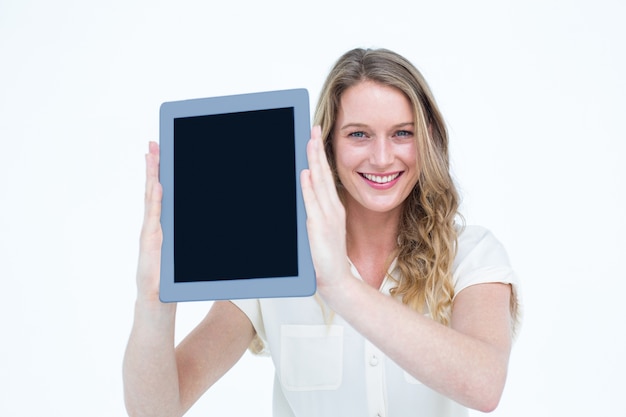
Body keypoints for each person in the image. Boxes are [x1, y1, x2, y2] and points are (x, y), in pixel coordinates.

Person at [123, 47, 521, 417]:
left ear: (428, 141)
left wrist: (341, 287)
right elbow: (156, 410)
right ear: (326, 145)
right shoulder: (270, 258)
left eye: (402, 133)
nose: (382, 158)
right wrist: (153, 300)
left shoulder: (472, 255)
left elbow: (484, 385)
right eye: (358, 134)